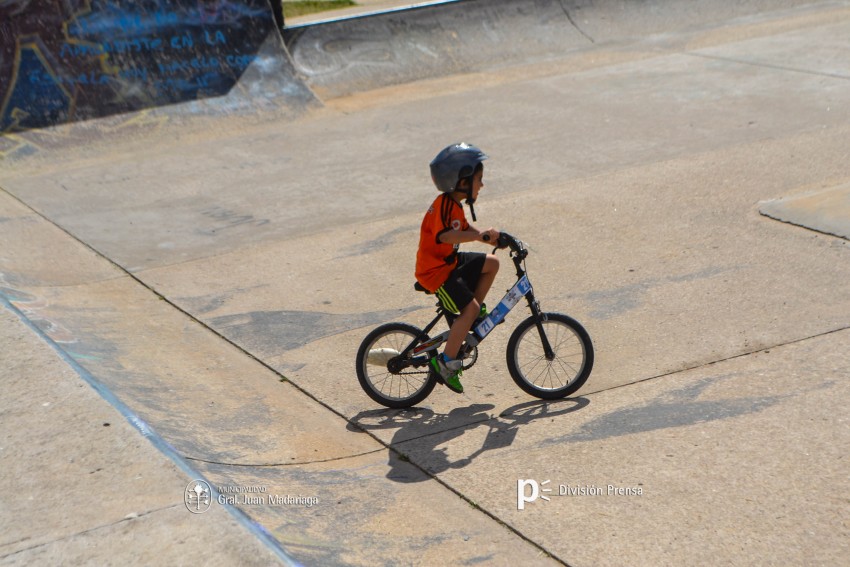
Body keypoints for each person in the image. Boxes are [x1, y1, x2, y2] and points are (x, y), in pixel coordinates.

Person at [415, 143, 501, 394]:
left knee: (492, 263)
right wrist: (477, 237)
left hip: (448, 263)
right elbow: (445, 236)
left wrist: (488, 238)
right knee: (469, 309)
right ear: (462, 181)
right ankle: (446, 363)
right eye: (478, 179)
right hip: (436, 273)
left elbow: (464, 229)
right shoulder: (444, 205)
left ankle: (470, 315)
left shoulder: (454, 205)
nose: (481, 185)